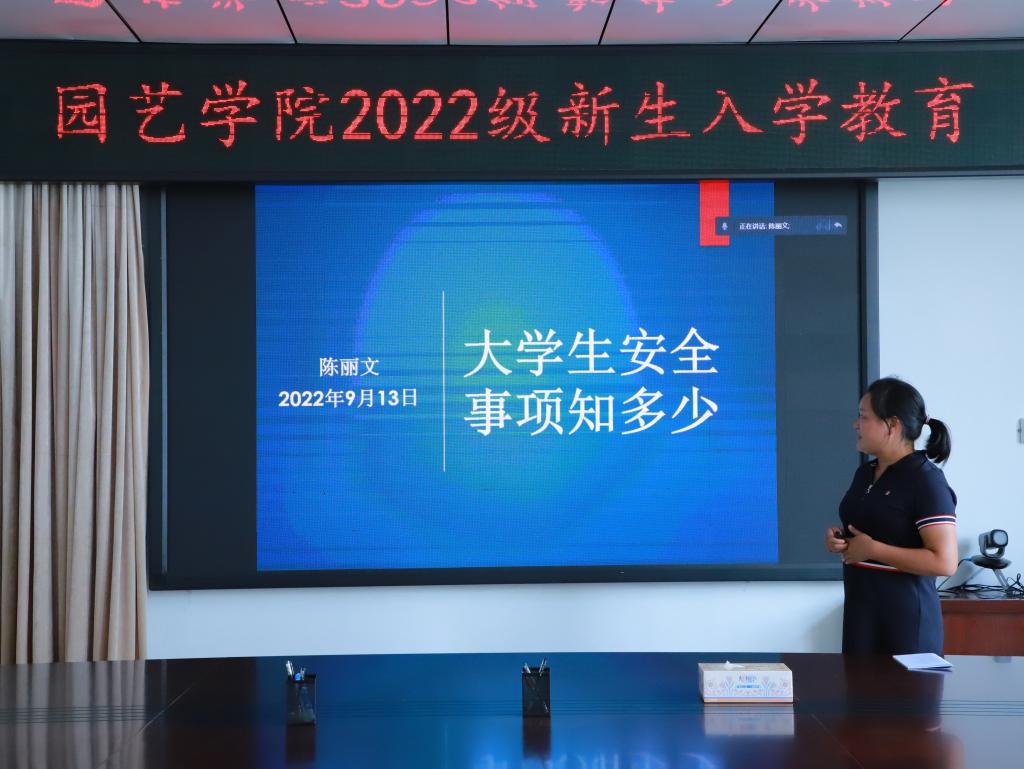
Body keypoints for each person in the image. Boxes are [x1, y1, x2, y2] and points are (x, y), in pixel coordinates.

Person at [825, 377, 958, 655]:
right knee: (857, 685)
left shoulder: (925, 480)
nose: (856, 424)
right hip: (861, 620)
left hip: (907, 628)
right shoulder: (865, 473)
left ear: (892, 425)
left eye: (864, 416)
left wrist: (873, 550)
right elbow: (872, 531)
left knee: (903, 688)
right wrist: (842, 541)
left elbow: (945, 562)